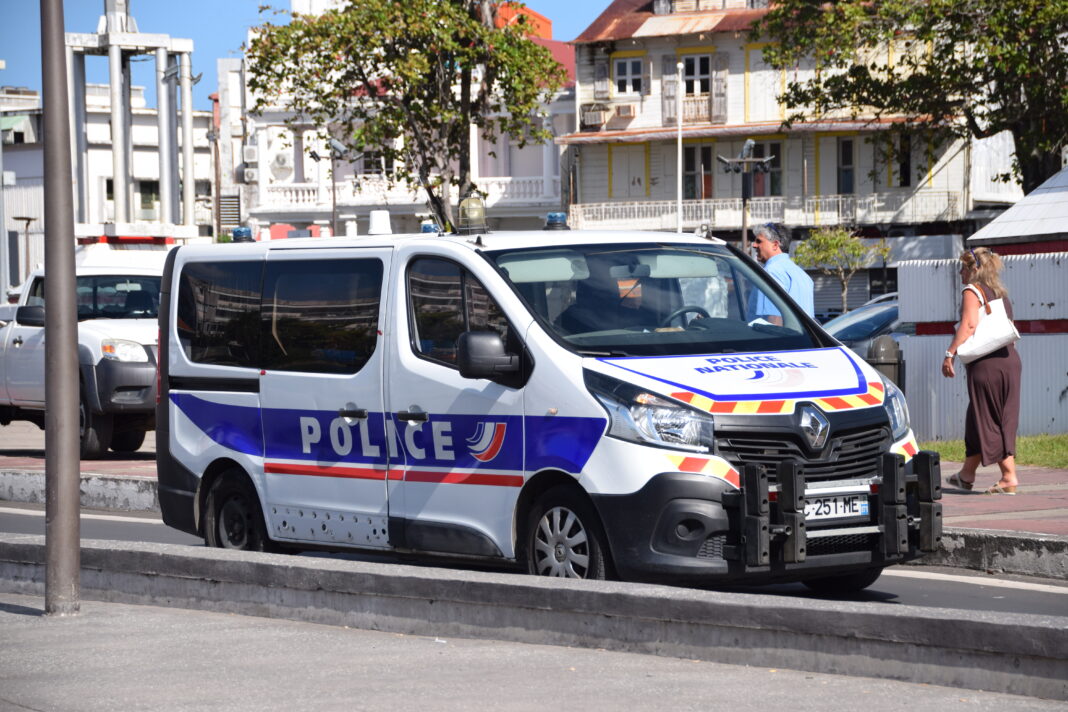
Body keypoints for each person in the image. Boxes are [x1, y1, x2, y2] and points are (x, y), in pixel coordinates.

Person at [942, 247, 1022, 495]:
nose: (959, 273)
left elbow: (969, 324)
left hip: (986, 365)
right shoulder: (1000, 293)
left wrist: (950, 353)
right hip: (1009, 361)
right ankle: (966, 475)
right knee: (979, 418)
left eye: (962, 268)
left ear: (972, 269)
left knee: (988, 418)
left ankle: (1009, 476)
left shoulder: (971, 291)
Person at [750, 223, 815, 324]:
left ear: (775, 245)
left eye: (759, 241)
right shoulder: (802, 274)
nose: (754, 245)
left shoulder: (771, 272)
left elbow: (774, 321)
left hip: (776, 338)